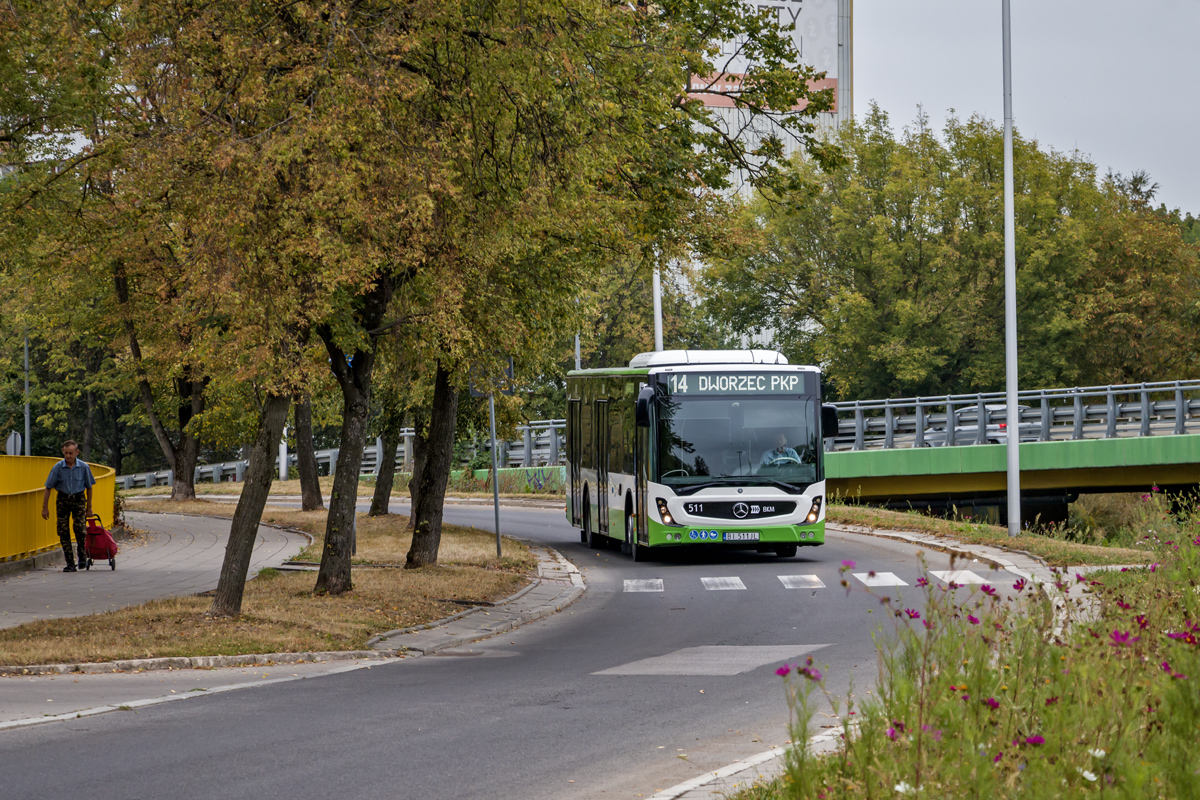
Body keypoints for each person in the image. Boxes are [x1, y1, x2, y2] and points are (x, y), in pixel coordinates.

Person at [41, 440, 95, 573]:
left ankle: (82, 555)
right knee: (63, 531)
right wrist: (45, 507)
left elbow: (89, 487)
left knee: (80, 529)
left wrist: (89, 507)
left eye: (71, 453)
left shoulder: (83, 467)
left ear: (76, 452)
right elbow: (48, 487)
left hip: (78, 499)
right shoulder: (58, 467)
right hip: (63, 499)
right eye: (66, 453)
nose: (68, 456)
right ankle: (70, 563)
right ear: (63, 452)